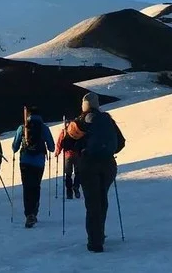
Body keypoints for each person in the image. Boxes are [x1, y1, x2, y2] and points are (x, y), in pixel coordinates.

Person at [71, 92, 125, 253]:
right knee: (102, 200)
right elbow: (121, 142)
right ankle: (99, 234)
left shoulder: (81, 121)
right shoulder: (107, 119)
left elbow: (70, 141)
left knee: (92, 203)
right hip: (108, 165)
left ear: (84, 105)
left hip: (89, 164)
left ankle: (95, 241)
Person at [11, 106, 55, 228]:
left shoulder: (23, 127)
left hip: (24, 161)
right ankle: (34, 213)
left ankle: (28, 214)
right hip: (38, 163)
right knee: (36, 187)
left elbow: (14, 147)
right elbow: (51, 147)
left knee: (27, 187)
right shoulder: (43, 128)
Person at [54, 121, 81, 199]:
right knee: (78, 173)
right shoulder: (77, 131)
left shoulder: (64, 132)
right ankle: (76, 186)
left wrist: (57, 152)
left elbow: (59, 143)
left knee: (68, 174)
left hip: (67, 155)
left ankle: (69, 192)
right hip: (77, 155)